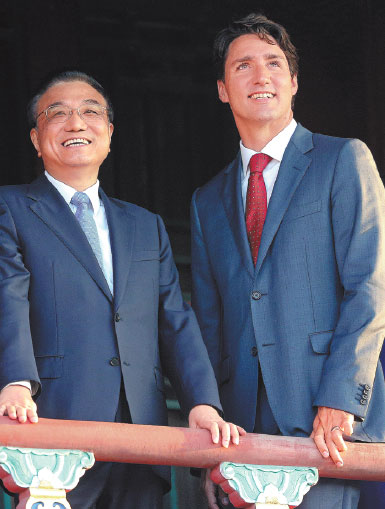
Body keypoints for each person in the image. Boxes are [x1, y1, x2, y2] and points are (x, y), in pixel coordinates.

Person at [0, 70, 244, 509]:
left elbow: (173, 319)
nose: (76, 123)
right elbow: (5, 295)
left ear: (110, 135)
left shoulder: (144, 225)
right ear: (37, 139)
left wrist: (202, 403)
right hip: (53, 426)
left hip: (140, 433)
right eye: (57, 114)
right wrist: (17, 382)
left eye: (90, 112)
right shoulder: (6, 208)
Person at [190, 13, 385, 509]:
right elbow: (210, 325)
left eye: (274, 64)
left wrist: (341, 397)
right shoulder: (207, 201)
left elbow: (371, 286)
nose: (261, 76)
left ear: (293, 82)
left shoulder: (343, 160)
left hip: (328, 423)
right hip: (241, 435)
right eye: (243, 66)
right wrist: (210, 437)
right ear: (221, 89)